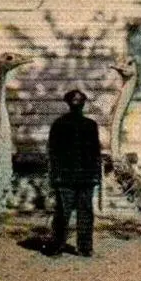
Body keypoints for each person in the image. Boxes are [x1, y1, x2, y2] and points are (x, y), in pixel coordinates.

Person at [46, 88, 102, 257]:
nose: (77, 103)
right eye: (74, 100)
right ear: (68, 103)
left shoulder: (91, 125)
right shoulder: (59, 125)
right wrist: (54, 176)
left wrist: (96, 175)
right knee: (63, 212)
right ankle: (57, 247)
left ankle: (85, 248)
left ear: (84, 103)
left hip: (85, 177)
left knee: (85, 213)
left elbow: (95, 153)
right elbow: (53, 152)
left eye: (80, 100)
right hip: (65, 178)